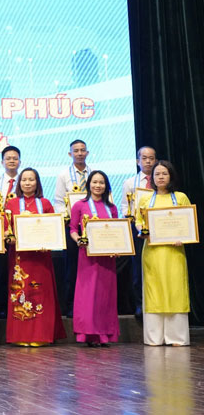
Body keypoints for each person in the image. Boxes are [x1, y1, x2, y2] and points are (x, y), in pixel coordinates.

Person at [3, 168, 66, 346]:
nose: (27, 183)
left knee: (40, 293)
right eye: (24, 180)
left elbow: (53, 229)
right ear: (19, 183)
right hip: (19, 258)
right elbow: (6, 229)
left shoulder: (45, 204)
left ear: (37, 182)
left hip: (41, 256)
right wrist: (10, 237)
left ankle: (41, 335)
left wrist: (49, 241)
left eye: (31, 179)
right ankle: (21, 336)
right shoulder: (12, 204)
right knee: (21, 292)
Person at [138, 160, 191, 346]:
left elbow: (188, 223)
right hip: (152, 251)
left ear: (171, 176)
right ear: (152, 178)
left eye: (164, 174)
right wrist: (143, 231)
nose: (160, 177)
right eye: (157, 174)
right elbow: (139, 221)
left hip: (174, 251)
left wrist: (183, 237)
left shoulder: (181, 197)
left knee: (175, 289)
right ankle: (155, 337)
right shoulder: (145, 199)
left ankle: (176, 337)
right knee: (154, 290)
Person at [70, 170, 120, 347]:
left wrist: (117, 247)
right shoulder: (79, 205)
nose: (98, 186)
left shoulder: (111, 208)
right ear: (89, 184)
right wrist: (79, 240)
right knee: (88, 295)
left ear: (106, 186)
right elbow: (73, 229)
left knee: (105, 295)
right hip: (88, 256)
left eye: (101, 183)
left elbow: (116, 230)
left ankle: (105, 333)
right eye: (94, 182)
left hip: (107, 257)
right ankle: (88, 334)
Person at [53, 139, 91, 317]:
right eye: (76, 151)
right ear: (70, 154)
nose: (80, 153)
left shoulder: (94, 174)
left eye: (83, 150)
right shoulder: (64, 175)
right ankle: (70, 307)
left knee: (90, 268)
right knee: (72, 268)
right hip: (72, 228)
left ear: (88, 153)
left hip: (92, 227)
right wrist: (69, 219)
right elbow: (59, 202)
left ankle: (90, 304)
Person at [119, 146, 156, 318]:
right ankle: (140, 305)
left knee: (156, 266)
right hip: (137, 229)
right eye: (144, 158)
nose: (148, 161)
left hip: (158, 228)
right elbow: (125, 207)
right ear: (137, 161)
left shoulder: (159, 181)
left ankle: (156, 302)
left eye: (151, 158)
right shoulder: (129, 183)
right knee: (137, 269)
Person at [0, 145, 21, 319]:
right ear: (2, 162)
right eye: (8, 158)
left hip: (21, 235)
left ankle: (18, 304)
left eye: (15, 158)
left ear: (20, 161)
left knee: (18, 271)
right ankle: (1, 307)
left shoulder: (26, 181)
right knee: (0, 272)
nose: (12, 161)